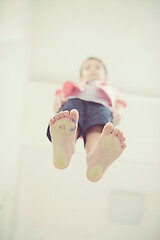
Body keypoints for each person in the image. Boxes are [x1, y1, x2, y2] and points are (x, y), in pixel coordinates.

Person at [46, 57, 127, 182]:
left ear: (105, 78)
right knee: (70, 119)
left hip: (101, 105)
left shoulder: (110, 89)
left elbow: (120, 103)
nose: (92, 70)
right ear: (81, 77)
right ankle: (66, 145)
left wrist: (119, 112)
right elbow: (60, 94)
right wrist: (57, 100)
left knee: (98, 129)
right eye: (87, 68)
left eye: (97, 67)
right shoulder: (76, 86)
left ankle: (95, 157)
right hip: (75, 100)